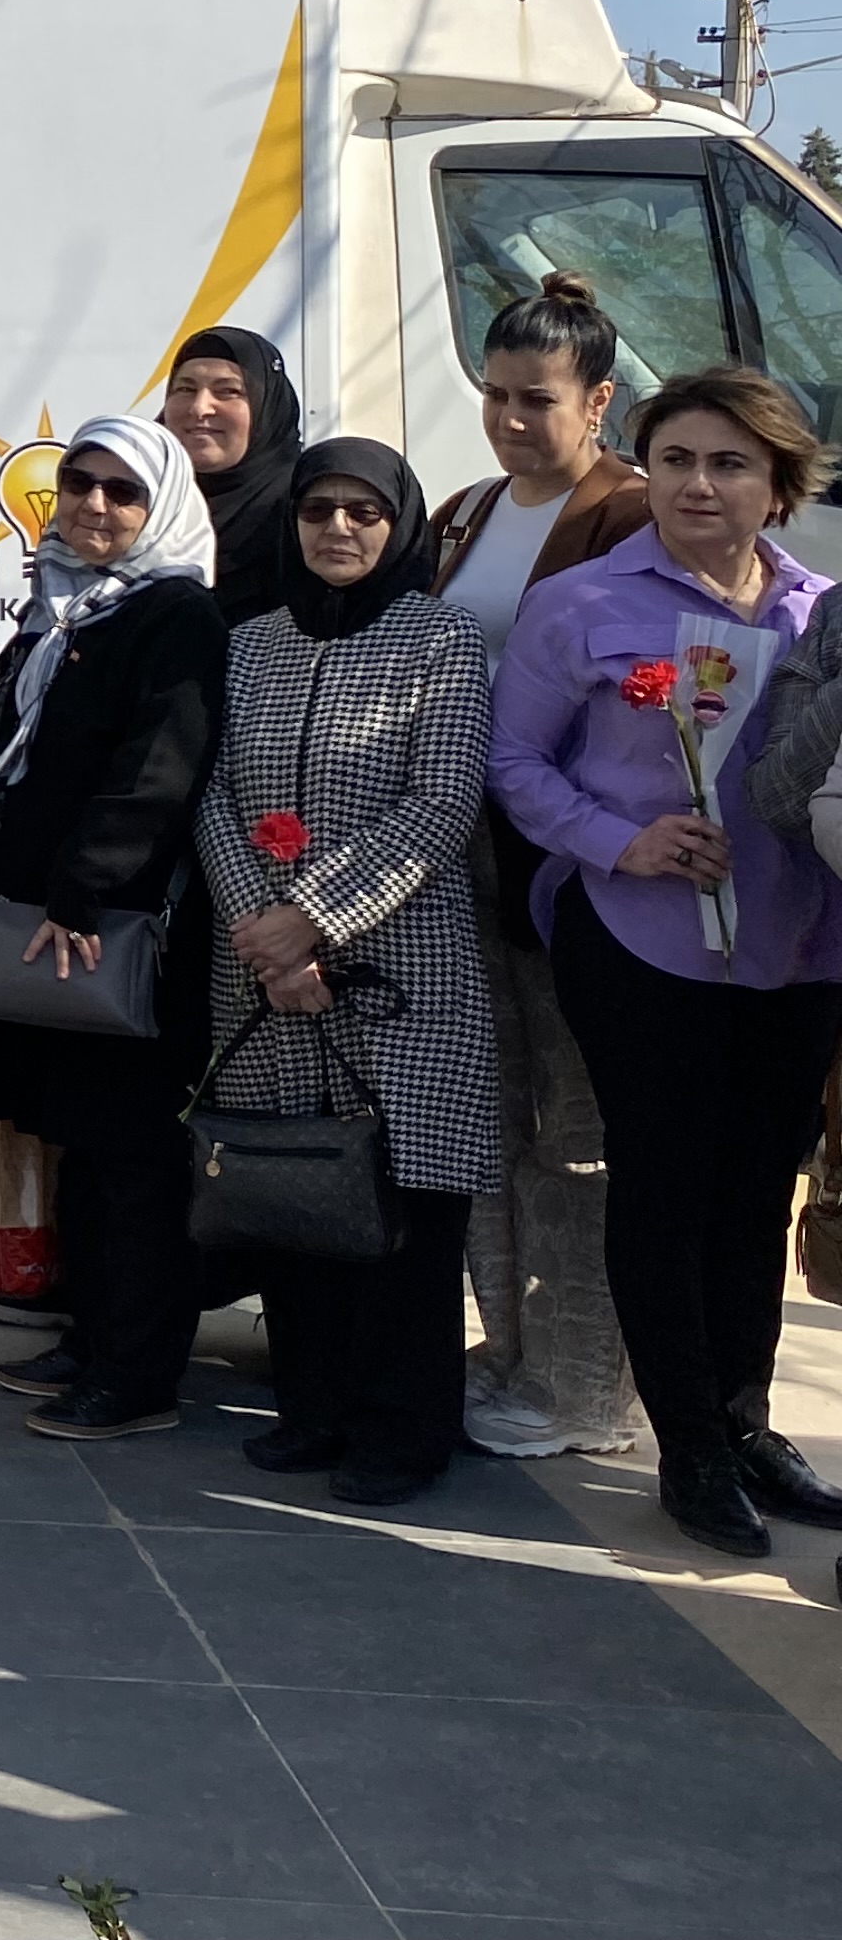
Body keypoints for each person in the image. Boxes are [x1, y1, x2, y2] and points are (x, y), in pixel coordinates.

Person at [495, 368, 842, 1561]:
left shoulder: (818, 611)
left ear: (780, 486)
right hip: (641, 941)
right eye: (677, 459)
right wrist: (621, 838)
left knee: (757, 1190)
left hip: (799, 944)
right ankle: (686, 1438)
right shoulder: (582, 603)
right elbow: (518, 766)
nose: (699, 484)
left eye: (730, 463)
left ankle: (748, 1423)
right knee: (664, 1182)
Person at [197, 440, 496, 1503]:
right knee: (296, 1196)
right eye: (318, 508)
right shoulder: (249, 647)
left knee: (405, 1211)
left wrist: (312, 922)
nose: (337, 528)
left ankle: (402, 1431)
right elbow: (217, 799)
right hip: (264, 979)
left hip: (402, 974)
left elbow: (440, 803)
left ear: (398, 525)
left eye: (363, 511)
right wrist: (263, 932)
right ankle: (312, 1410)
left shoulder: (443, 641)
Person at [0, 416, 228, 1443]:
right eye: (80, 484)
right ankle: (89, 1334)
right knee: (71, 1138)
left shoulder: (174, 613)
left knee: (133, 1157)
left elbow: (159, 769)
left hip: (113, 927)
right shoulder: (60, 601)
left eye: (124, 491)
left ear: (159, 504)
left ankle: (138, 1371)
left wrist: (87, 888)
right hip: (42, 920)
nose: (96, 507)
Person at [427, 272, 649, 1461]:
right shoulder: (463, 513)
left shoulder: (630, 515)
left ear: (599, 399)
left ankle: (584, 1386)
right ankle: (507, 1351)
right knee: (490, 1114)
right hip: (463, 861)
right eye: (496, 395)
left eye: (539, 399)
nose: (513, 419)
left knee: (579, 1130)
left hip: (572, 867)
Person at [163, 325, 304, 630]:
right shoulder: (131, 499)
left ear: (267, 409)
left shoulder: (306, 509)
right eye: (185, 388)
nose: (200, 407)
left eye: (228, 391)